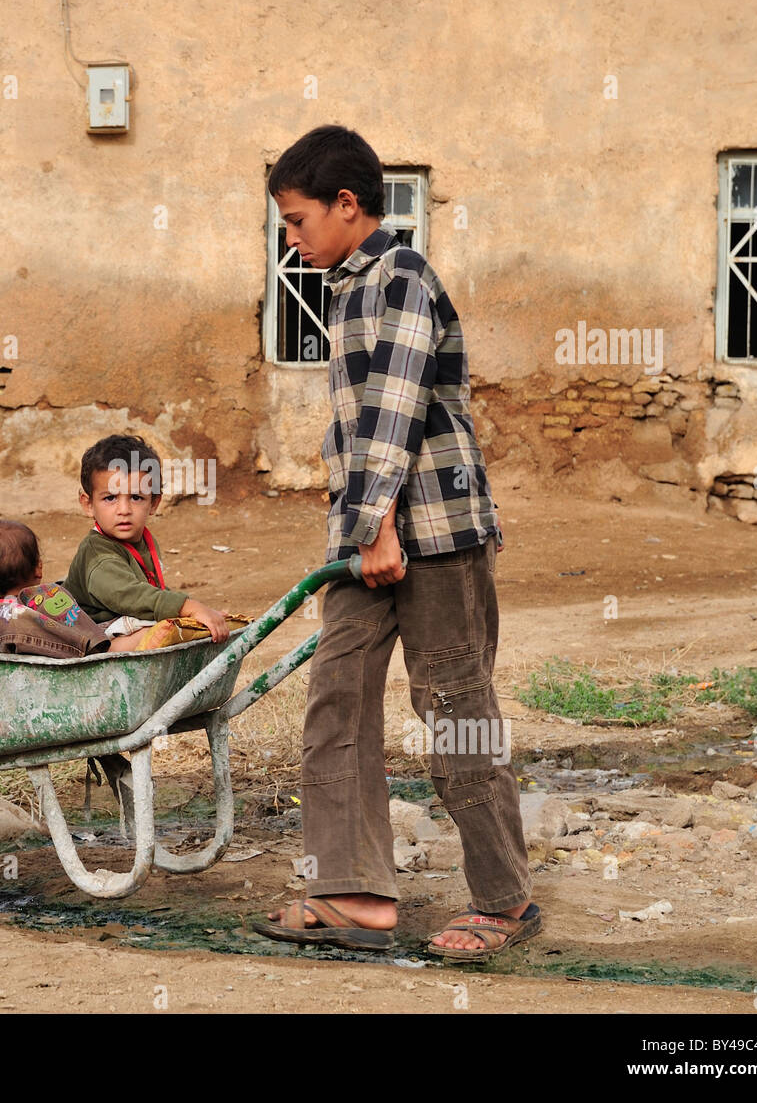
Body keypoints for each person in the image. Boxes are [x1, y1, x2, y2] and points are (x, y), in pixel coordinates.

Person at [254, 125, 539, 961]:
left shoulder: (400, 276)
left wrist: (378, 522)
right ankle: (352, 893)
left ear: (349, 205)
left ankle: (504, 900)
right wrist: (359, 529)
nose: (292, 240)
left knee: (454, 711)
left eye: (299, 222)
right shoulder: (346, 287)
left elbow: (397, 411)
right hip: (365, 539)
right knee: (335, 699)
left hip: (434, 536)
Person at [62, 435, 230, 642]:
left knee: (183, 623)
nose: (123, 510)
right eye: (110, 498)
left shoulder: (140, 540)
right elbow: (131, 595)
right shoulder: (99, 557)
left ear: (153, 502)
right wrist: (187, 607)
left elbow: (151, 589)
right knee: (155, 634)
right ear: (88, 504)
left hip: (121, 621)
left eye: (136, 497)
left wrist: (196, 610)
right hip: (88, 635)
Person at [0, 518, 179, 655]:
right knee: (98, 639)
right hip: (79, 644)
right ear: (39, 568)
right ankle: (138, 632)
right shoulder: (49, 599)